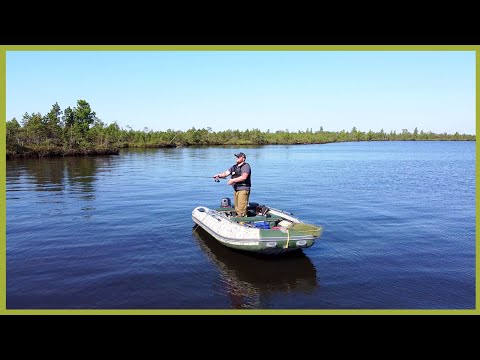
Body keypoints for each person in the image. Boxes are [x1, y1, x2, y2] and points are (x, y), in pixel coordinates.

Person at [213, 152, 251, 217]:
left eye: (238, 157)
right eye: (236, 157)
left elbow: (244, 177)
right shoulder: (234, 167)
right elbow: (225, 173)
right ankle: (239, 220)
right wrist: (218, 175)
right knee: (237, 208)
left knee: (241, 209)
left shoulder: (246, 166)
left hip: (243, 189)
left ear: (243, 158)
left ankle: (242, 222)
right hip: (236, 190)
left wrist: (232, 180)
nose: (237, 158)